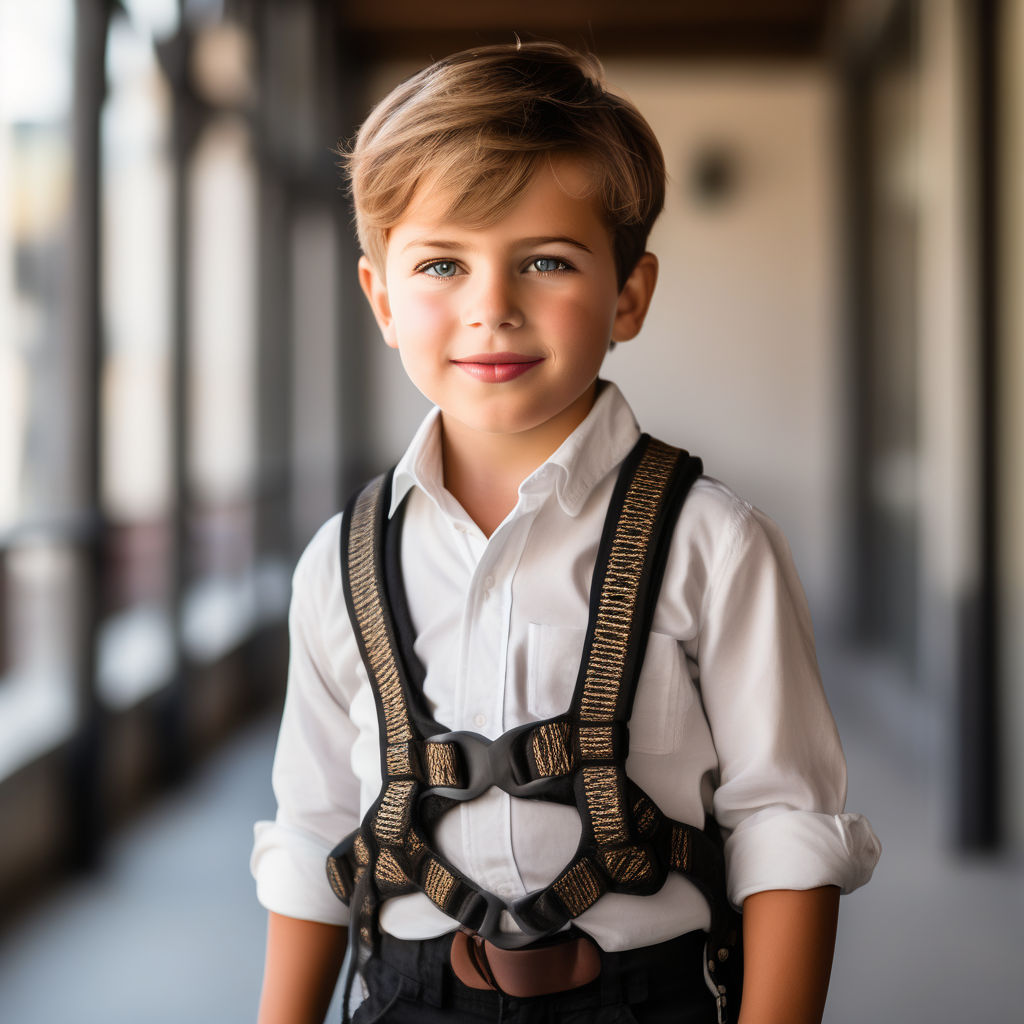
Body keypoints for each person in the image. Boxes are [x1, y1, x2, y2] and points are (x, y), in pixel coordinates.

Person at [251, 41, 881, 1024]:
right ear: (379, 297)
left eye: (544, 261)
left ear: (627, 295)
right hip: (408, 998)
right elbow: (313, 833)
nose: (490, 308)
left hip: (646, 998)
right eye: (441, 264)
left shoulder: (712, 543)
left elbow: (785, 827)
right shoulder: (342, 560)